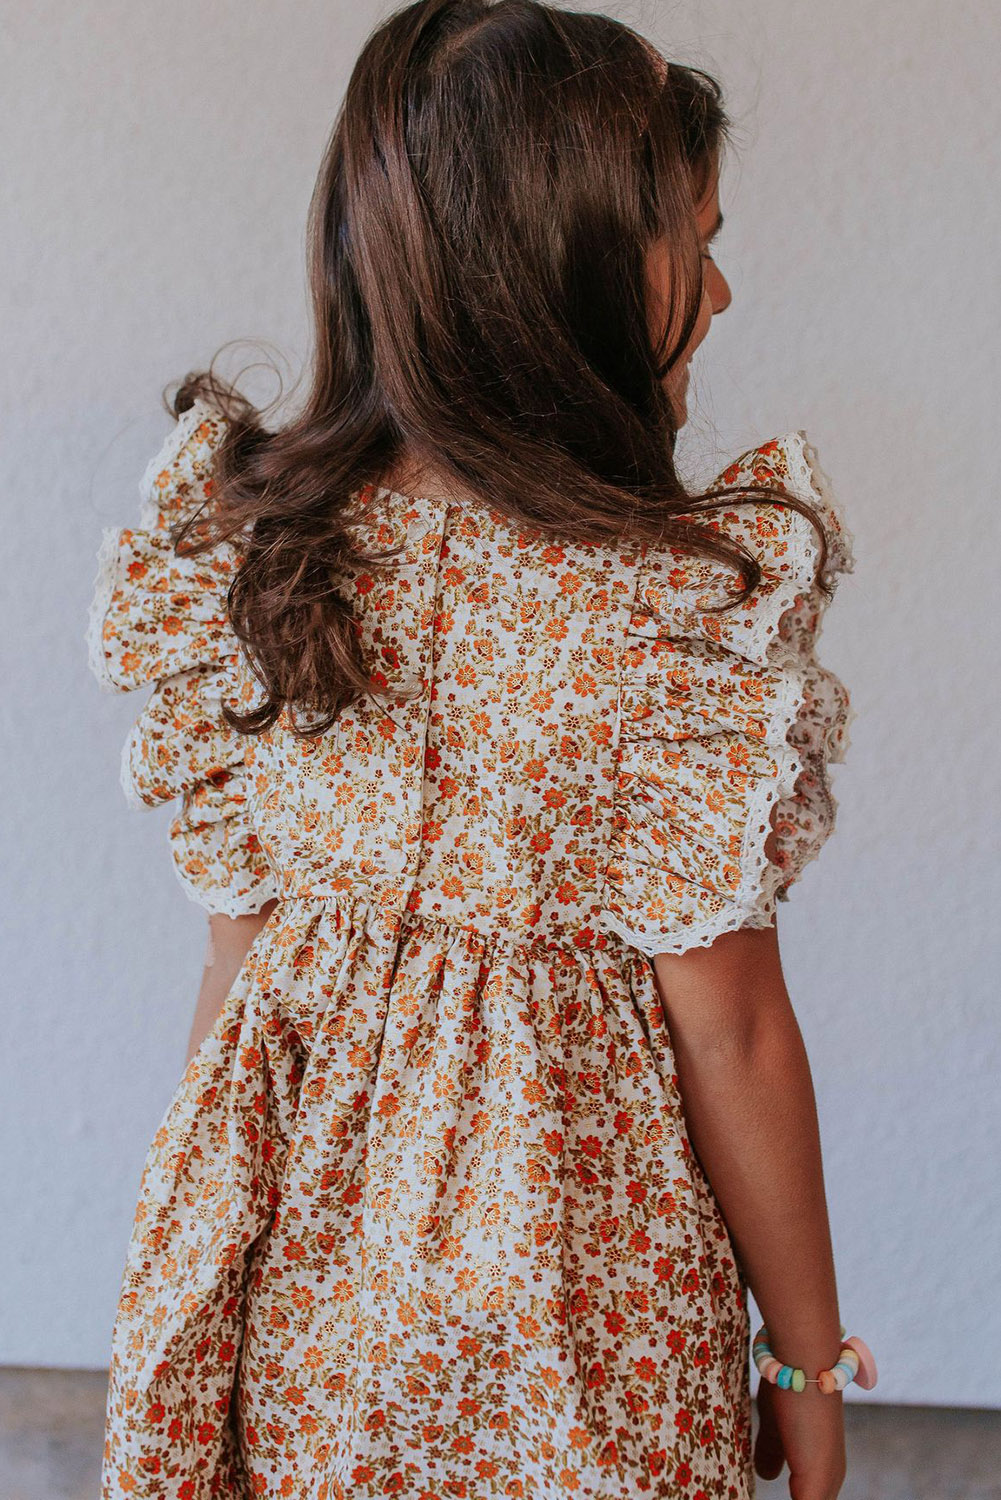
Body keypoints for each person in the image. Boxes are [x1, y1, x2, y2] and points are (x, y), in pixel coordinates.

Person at [86, 2, 862, 1496]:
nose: (720, 284)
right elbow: (735, 1031)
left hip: (304, 1297)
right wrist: (807, 1362)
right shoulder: (669, 603)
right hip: (575, 1306)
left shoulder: (265, 559)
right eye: (689, 242)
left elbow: (237, 982)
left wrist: (185, 1277)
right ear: (558, 270)